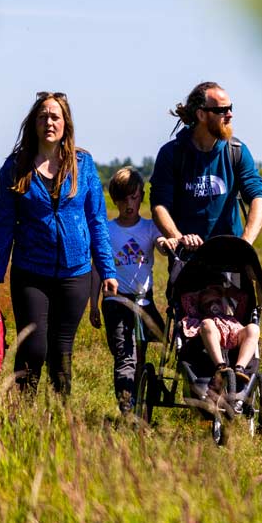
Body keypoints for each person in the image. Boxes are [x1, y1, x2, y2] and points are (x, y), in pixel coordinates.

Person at [0, 91, 119, 396]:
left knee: (61, 350)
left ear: (66, 124)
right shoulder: (15, 167)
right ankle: (20, 414)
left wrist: (107, 270)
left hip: (75, 272)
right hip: (31, 271)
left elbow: (97, 220)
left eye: (55, 116)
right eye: (43, 116)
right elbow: (4, 226)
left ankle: (60, 418)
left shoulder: (83, 164)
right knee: (34, 346)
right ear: (33, 123)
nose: (49, 122)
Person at [150, 81, 262, 252]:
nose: (230, 115)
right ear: (202, 115)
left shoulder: (236, 151)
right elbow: (159, 206)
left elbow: (258, 197)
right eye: (222, 110)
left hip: (230, 259)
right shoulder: (172, 154)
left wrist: (245, 243)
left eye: (230, 108)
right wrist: (178, 238)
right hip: (187, 261)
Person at [95, 167, 166, 413]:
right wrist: (95, 305)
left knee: (141, 354)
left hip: (144, 302)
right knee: (126, 356)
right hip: (116, 301)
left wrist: (165, 243)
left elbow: (160, 243)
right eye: (124, 198)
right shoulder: (106, 230)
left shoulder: (149, 227)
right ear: (114, 199)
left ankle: (139, 403)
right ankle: (127, 409)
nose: (129, 203)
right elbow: (99, 269)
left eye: (134, 197)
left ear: (142, 197)